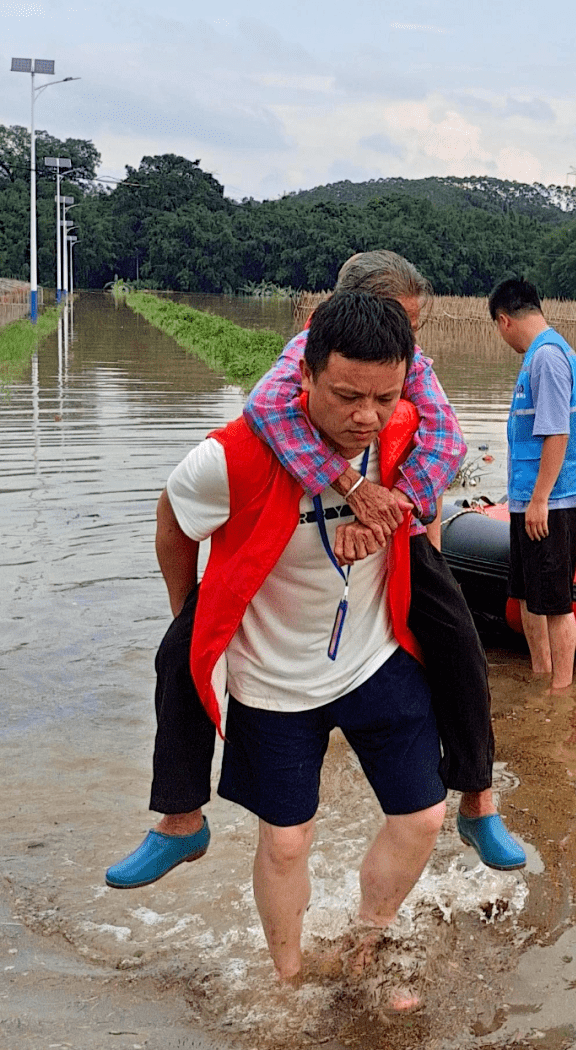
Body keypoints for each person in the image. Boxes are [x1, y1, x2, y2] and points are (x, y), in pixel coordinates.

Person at [106, 252, 524, 893]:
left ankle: (478, 802)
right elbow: (267, 418)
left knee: (460, 642)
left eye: (412, 331)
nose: (405, 344)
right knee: (181, 652)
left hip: (399, 525)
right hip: (284, 531)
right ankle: (180, 820)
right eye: (395, 324)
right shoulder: (297, 368)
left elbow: (446, 443)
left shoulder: (414, 368)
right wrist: (351, 486)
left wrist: (392, 508)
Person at [151, 291, 445, 997]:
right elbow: (171, 520)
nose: (365, 417)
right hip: (274, 676)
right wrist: (189, 613)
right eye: (346, 396)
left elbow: (428, 517)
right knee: (286, 840)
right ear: (303, 377)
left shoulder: (409, 442)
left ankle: (365, 939)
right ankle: (287, 978)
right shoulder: (230, 459)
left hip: (373, 658)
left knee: (422, 816)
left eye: (383, 397)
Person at [489, 277, 576, 690]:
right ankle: (541, 675)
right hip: (529, 498)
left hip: (551, 500)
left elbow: (557, 431)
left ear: (504, 321)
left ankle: (561, 691)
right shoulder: (542, 355)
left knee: (554, 602)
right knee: (526, 596)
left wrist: (540, 499)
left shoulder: (548, 357)